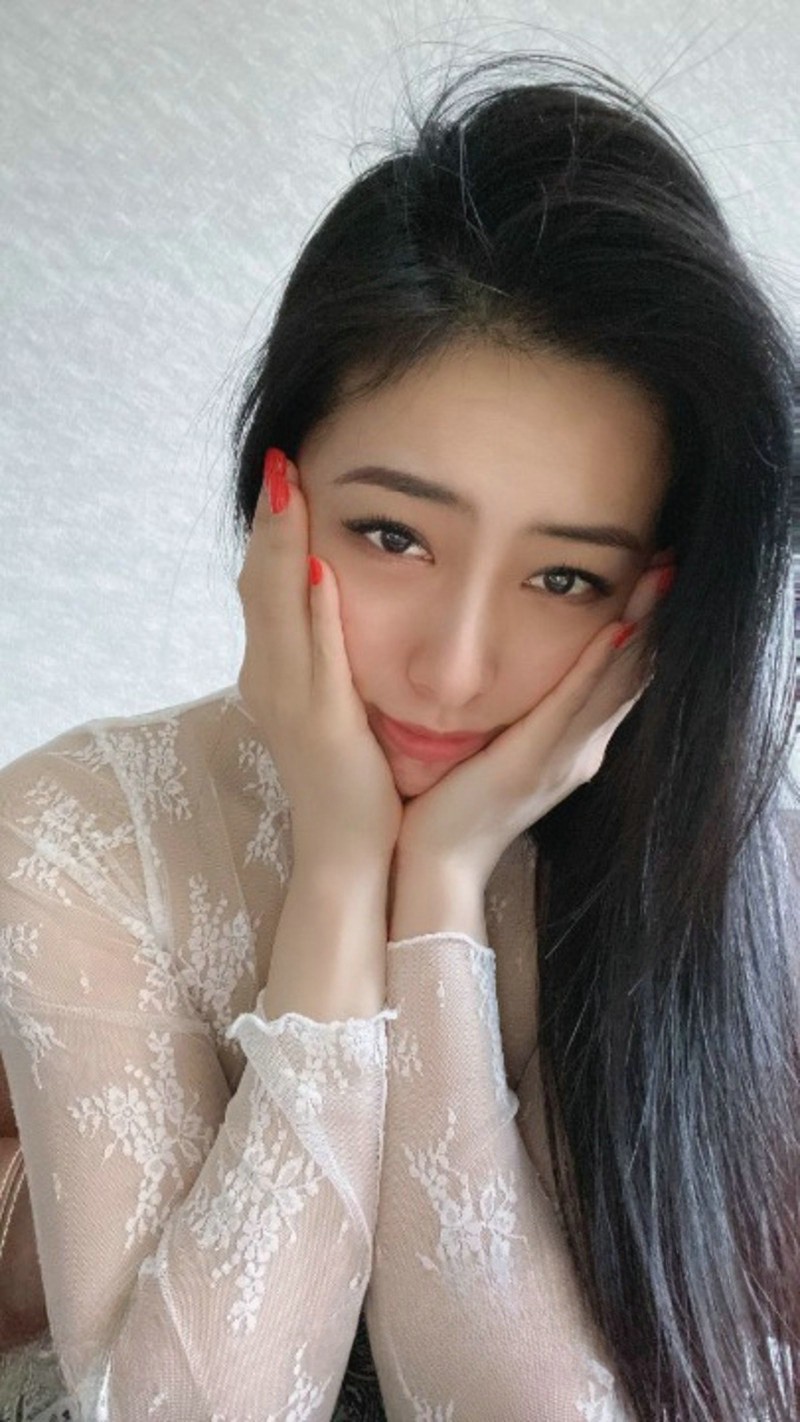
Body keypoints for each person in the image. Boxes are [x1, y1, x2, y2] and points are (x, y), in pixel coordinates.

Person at [0, 50, 798, 1422]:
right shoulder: (77, 832)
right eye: (394, 535)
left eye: (566, 576)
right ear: (279, 497)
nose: (454, 668)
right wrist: (338, 869)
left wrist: (435, 893)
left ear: (657, 605)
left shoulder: (720, 866)